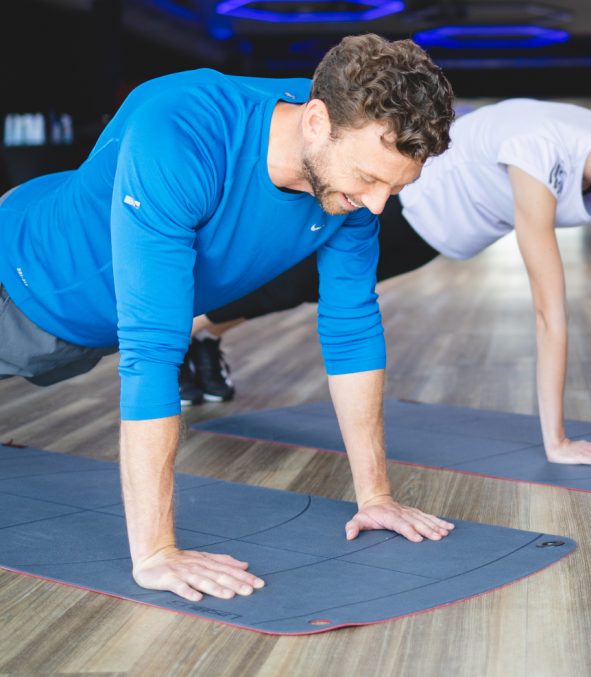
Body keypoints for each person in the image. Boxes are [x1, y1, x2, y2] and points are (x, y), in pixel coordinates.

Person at [0, 34, 457, 602]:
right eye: (369, 178)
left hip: (84, 331)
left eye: (396, 186)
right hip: (18, 286)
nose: (378, 203)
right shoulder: (183, 129)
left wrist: (376, 497)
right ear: (316, 121)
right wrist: (156, 552)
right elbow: (154, 350)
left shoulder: (348, 165)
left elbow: (352, 327)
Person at [181, 51, 591, 468]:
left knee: (296, 288)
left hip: (434, 235)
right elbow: (549, 312)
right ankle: (187, 335)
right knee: (292, 284)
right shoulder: (543, 148)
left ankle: (203, 340)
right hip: (404, 205)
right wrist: (557, 443)